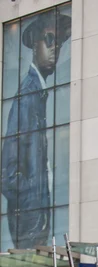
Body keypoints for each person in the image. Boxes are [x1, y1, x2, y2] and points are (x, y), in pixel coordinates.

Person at [1, 12, 71, 248]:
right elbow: (8, 175)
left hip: (36, 225)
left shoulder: (37, 93)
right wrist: (32, 211)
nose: (55, 49)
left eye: (59, 43)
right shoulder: (27, 97)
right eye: (49, 40)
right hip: (30, 228)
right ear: (34, 45)